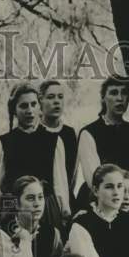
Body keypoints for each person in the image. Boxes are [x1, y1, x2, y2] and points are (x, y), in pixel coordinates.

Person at [0, 83, 72, 231]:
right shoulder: (5, 143)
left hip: (45, 206)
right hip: (13, 207)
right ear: (15, 111)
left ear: (39, 107)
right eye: (24, 106)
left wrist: (64, 211)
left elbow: (60, 182)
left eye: (33, 104)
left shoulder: (54, 141)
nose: (30, 110)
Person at [75, 74, 129, 205]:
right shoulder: (89, 132)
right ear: (103, 98)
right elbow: (94, 179)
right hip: (99, 201)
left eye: (124, 93)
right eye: (114, 93)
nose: (120, 98)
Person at [38, 80, 83, 212]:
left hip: (66, 201)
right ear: (40, 100)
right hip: (41, 201)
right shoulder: (34, 131)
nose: (56, 101)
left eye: (60, 97)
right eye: (51, 97)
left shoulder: (70, 134)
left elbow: (73, 173)